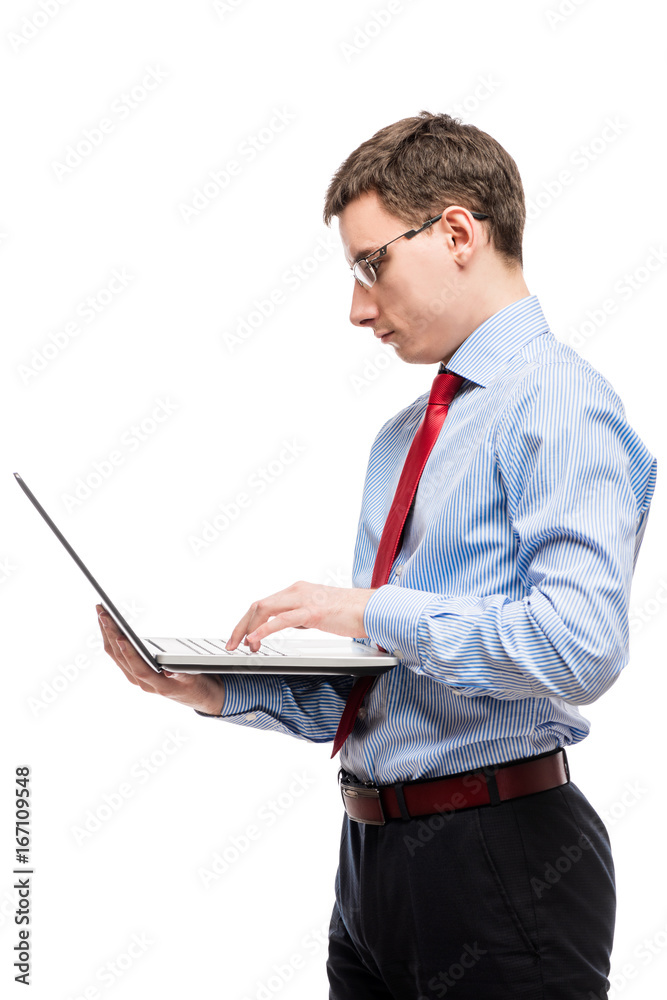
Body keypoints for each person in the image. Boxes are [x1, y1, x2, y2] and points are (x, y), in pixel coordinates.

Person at [97, 111, 657, 999]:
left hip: (501, 859)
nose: (358, 307)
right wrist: (213, 687)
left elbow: (581, 645)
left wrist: (364, 608)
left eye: (370, 265)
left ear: (457, 232)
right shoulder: (404, 438)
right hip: (371, 863)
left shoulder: (557, 402)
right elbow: (393, 684)